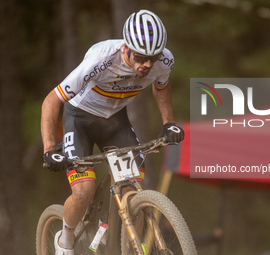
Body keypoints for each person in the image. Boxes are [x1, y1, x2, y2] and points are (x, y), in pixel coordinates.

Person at [41, 9, 184, 255]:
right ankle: (64, 241)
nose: (147, 64)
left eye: (153, 56)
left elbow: (161, 87)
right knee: (83, 192)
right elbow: (51, 101)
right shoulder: (101, 59)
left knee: (133, 190)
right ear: (126, 48)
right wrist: (49, 149)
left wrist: (168, 122)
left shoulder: (164, 61)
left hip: (115, 122)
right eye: (140, 57)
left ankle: (128, 246)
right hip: (80, 120)